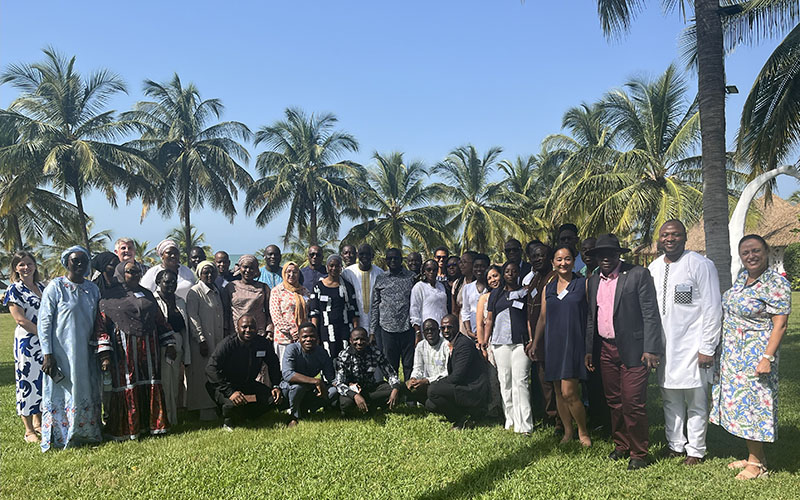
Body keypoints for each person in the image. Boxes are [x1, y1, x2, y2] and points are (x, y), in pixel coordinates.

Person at [709, 235, 791, 480]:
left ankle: (756, 465)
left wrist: (767, 357)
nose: (751, 256)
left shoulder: (775, 283)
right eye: (746, 253)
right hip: (734, 354)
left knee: (754, 406)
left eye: (756, 251)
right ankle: (755, 455)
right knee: (742, 406)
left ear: (766, 251)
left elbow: (781, 324)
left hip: (756, 355)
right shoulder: (742, 278)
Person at [584, 234, 662, 470]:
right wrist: (590, 349)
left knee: (632, 401)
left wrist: (651, 348)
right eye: (601, 254)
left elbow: (650, 313)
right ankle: (621, 444)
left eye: (610, 253)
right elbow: (591, 317)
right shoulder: (593, 279)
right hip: (606, 349)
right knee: (614, 400)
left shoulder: (638, 274)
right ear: (596, 257)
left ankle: (639, 452)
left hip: (635, 349)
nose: (606, 258)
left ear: (619, 254)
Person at [648, 220, 722, 465]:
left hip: (694, 347)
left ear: (685, 237)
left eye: (675, 234)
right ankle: (676, 445)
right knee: (670, 399)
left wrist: (707, 347)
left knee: (697, 400)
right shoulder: (654, 268)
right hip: (665, 347)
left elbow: (712, 308)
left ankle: (696, 450)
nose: (670, 239)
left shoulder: (700, 265)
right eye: (665, 235)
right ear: (659, 239)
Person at [95, 261, 177, 440]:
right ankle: (130, 429)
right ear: (120, 274)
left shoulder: (147, 294)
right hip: (123, 352)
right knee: (127, 383)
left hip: (149, 349)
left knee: (151, 382)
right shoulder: (108, 298)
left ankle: (153, 426)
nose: (135, 275)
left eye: (137, 272)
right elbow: (101, 327)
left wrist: (170, 343)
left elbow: (160, 320)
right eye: (130, 272)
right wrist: (105, 355)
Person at [38, 246, 102, 451]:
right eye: (75, 260)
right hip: (61, 352)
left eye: (84, 260)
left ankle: (87, 432)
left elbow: (98, 321)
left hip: (86, 352)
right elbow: (44, 322)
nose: (80, 264)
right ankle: (61, 435)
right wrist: (47, 353)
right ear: (67, 262)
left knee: (86, 388)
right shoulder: (56, 287)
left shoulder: (93, 289)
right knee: (63, 389)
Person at [533, 246, 591, 446]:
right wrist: (535, 342)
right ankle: (568, 432)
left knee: (569, 392)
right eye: (559, 259)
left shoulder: (583, 284)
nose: (563, 263)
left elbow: (592, 314)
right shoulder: (548, 288)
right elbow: (542, 317)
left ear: (573, 261)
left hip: (574, 342)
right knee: (558, 391)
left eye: (567, 259)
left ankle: (583, 432)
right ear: (553, 263)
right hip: (553, 343)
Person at [205, 315, 283, 430]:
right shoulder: (227, 344)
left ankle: (247, 415)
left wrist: (276, 385)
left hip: (248, 384)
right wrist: (230, 392)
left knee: (274, 399)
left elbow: (273, 363)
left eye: (252, 327)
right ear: (237, 328)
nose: (248, 330)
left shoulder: (262, 343)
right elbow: (211, 368)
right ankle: (228, 420)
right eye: (244, 327)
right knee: (231, 405)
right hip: (225, 386)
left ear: (257, 329)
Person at [483, 261, 533, 435]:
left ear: (518, 273)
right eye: (507, 271)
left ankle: (525, 425)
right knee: (505, 381)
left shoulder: (525, 293)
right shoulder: (496, 294)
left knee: (521, 381)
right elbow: (489, 319)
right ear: (503, 274)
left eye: (514, 271)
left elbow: (528, 318)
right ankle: (510, 420)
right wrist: (484, 341)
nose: (510, 274)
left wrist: (531, 339)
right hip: (499, 343)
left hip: (521, 343)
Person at [4, 251, 46, 443]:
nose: (26, 268)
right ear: (15, 268)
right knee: (27, 382)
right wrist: (43, 335)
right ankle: (29, 430)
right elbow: (20, 319)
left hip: (45, 343)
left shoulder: (42, 287)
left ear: (35, 266)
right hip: (28, 343)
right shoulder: (14, 290)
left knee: (42, 381)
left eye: (29, 263)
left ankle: (39, 423)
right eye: (21, 264)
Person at [426, 314, 489, 428]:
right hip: (463, 385)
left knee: (433, 391)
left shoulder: (464, 345)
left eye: (449, 327)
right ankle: (463, 413)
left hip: (473, 390)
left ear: (457, 327)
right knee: (430, 404)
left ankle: (461, 420)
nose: (445, 331)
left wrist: (435, 384)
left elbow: (456, 377)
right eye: (443, 328)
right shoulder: (454, 343)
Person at [186, 260, 226, 420]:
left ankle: (215, 405)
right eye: (205, 272)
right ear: (199, 274)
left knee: (215, 373)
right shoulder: (194, 292)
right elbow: (192, 317)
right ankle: (202, 410)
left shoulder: (216, 291)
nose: (209, 275)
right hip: (202, 342)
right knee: (201, 375)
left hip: (217, 340)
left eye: (212, 272)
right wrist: (201, 339)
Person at [525, 244, 558, 428]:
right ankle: (548, 415)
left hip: (550, 337)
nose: (537, 259)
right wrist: (532, 339)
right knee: (543, 380)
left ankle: (557, 419)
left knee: (552, 381)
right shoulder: (534, 279)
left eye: (541, 256)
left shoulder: (553, 278)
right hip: (536, 338)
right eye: (534, 256)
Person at [370, 248, 416, 378]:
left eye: (396, 258)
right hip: (387, 328)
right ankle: (393, 392)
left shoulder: (411, 277)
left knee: (408, 363)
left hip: (407, 327)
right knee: (390, 364)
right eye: (390, 258)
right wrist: (372, 331)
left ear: (401, 260)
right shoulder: (381, 279)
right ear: (386, 261)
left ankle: (409, 393)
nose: (393, 261)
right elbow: (375, 305)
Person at [154, 268, 192, 427]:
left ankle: (174, 418)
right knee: (164, 384)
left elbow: (185, 328)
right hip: (161, 346)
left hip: (178, 344)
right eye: (167, 282)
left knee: (175, 383)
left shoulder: (180, 301)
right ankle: (165, 420)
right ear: (158, 283)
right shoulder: (153, 301)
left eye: (173, 282)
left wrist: (186, 354)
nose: (170, 285)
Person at [280, 323, 338, 427]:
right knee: (298, 388)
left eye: (312, 336)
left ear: (317, 337)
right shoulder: (291, 349)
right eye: (305, 336)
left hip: (311, 389)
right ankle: (294, 416)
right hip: (291, 388)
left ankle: (308, 409)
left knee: (333, 391)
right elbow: (287, 374)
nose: (308, 339)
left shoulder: (322, 352)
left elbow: (331, 377)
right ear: (299, 338)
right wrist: (315, 381)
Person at [335, 327, 402, 415]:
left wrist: (395, 389)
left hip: (370, 388)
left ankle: (368, 404)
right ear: (350, 341)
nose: (359, 343)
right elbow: (339, 383)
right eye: (356, 339)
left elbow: (391, 374)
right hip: (352, 390)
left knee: (398, 390)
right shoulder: (344, 356)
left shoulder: (375, 352)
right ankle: (367, 406)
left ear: (367, 340)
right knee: (346, 404)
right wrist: (355, 395)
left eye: (362, 339)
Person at [309, 255, 359, 358]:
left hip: (344, 329)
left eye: (337, 266)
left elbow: (353, 312)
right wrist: (314, 333)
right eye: (331, 265)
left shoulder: (347, 287)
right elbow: (314, 313)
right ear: (327, 267)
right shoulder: (318, 287)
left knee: (346, 358)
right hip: (325, 330)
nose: (334, 268)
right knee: (328, 358)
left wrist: (356, 332)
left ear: (341, 267)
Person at [269, 261, 310, 365]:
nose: (291, 275)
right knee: (284, 370)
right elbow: (276, 317)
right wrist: (292, 330)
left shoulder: (304, 291)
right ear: (284, 273)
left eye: (295, 272)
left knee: (301, 369)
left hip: (302, 339)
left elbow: (308, 313)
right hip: (284, 339)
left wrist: (302, 332)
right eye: (288, 272)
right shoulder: (277, 291)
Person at [342, 244, 384, 343]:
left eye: (367, 254)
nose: (364, 256)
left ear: (372, 256)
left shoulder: (380, 273)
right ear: (357, 255)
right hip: (354, 320)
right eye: (362, 254)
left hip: (375, 322)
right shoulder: (348, 273)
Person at [225, 254, 271, 338]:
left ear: (256, 269)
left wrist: (269, 330)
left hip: (258, 332)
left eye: (252, 268)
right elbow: (226, 312)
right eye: (245, 267)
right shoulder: (231, 287)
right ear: (240, 268)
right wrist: (226, 331)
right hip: (236, 332)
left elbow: (269, 312)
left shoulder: (263, 287)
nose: (248, 270)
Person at [406, 318, 450, 404]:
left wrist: (427, 381)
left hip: (443, 384)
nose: (429, 332)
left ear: (438, 331)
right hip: (426, 384)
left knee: (431, 404)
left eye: (432, 329)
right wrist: (413, 378)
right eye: (427, 330)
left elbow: (448, 372)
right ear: (423, 333)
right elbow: (418, 368)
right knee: (405, 387)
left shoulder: (446, 345)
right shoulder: (420, 346)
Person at [410, 259, 449, 342]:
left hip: (442, 329)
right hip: (428, 330)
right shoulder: (419, 287)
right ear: (424, 271)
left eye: (434, 270)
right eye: (429, 270)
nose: (432, 272)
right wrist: (418, 332)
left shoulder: (441, 286)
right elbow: (414, 311)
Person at [460, 253, 490, 341]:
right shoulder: (467, 288)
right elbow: (465, 311)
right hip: (473, 328)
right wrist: (468, 331)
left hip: (489, 325)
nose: (479, 269)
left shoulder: (492, 287)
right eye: (476, 266)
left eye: (482, 266)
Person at [452, 251, 476, 334]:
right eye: (460, 262)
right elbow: (455, 310)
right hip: (462, 327)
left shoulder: (481, 283)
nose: (461, 265)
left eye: (464, 262)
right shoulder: (458, 284)